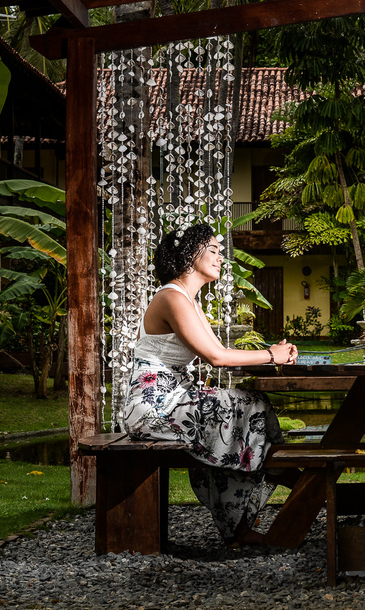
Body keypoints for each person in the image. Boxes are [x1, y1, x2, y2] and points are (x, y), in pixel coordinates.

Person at [119, 223, 298, 547]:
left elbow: (221, 352)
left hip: (175, 398)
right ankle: (276, 474)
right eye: (213, 251)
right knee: (244, 406)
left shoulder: (188, 300)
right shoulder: (172, 297)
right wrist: (272, 354)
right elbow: (217, 357)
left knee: (250, 404)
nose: (220, 258)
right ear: (190, 255)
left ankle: (269, 478)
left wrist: (276, 354)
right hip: (152, 406)